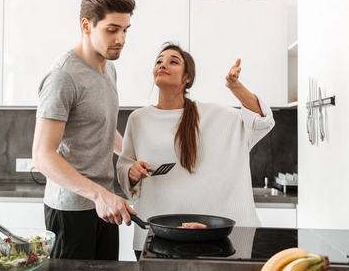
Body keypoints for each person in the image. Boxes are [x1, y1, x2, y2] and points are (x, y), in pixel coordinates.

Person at [117, 42, 275, 259]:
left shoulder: (213, 115)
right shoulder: (138, 119)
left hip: (213, 237)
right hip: (155, 235)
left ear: (186, 78)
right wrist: (131, 172)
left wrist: (235, 86)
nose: (163, 65)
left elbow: (262, 121)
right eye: (159, 61)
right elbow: (124, 164)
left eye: (173, 61)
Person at [32, 0, 137, 260]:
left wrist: (129, 157)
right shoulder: (63, 77)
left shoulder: (108, 69)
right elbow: (42, 155)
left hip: (104, 206)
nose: (121, 39)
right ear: (86, 25)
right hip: (71, 210)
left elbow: (100, 124)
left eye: (125, 30)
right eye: (112, 30)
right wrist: (99, 195)